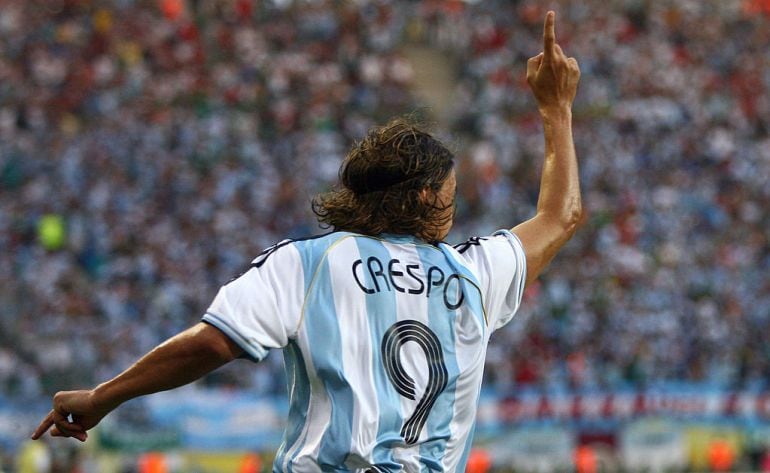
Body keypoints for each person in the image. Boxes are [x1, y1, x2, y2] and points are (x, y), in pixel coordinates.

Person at [32, 10, 580, 472]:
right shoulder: (474, 274)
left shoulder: (307, 263)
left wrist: (103, 397)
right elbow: (560, 216)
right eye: (450, 194)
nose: (455, 208)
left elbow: (210, 343)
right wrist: (556, 111)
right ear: (420, 198)